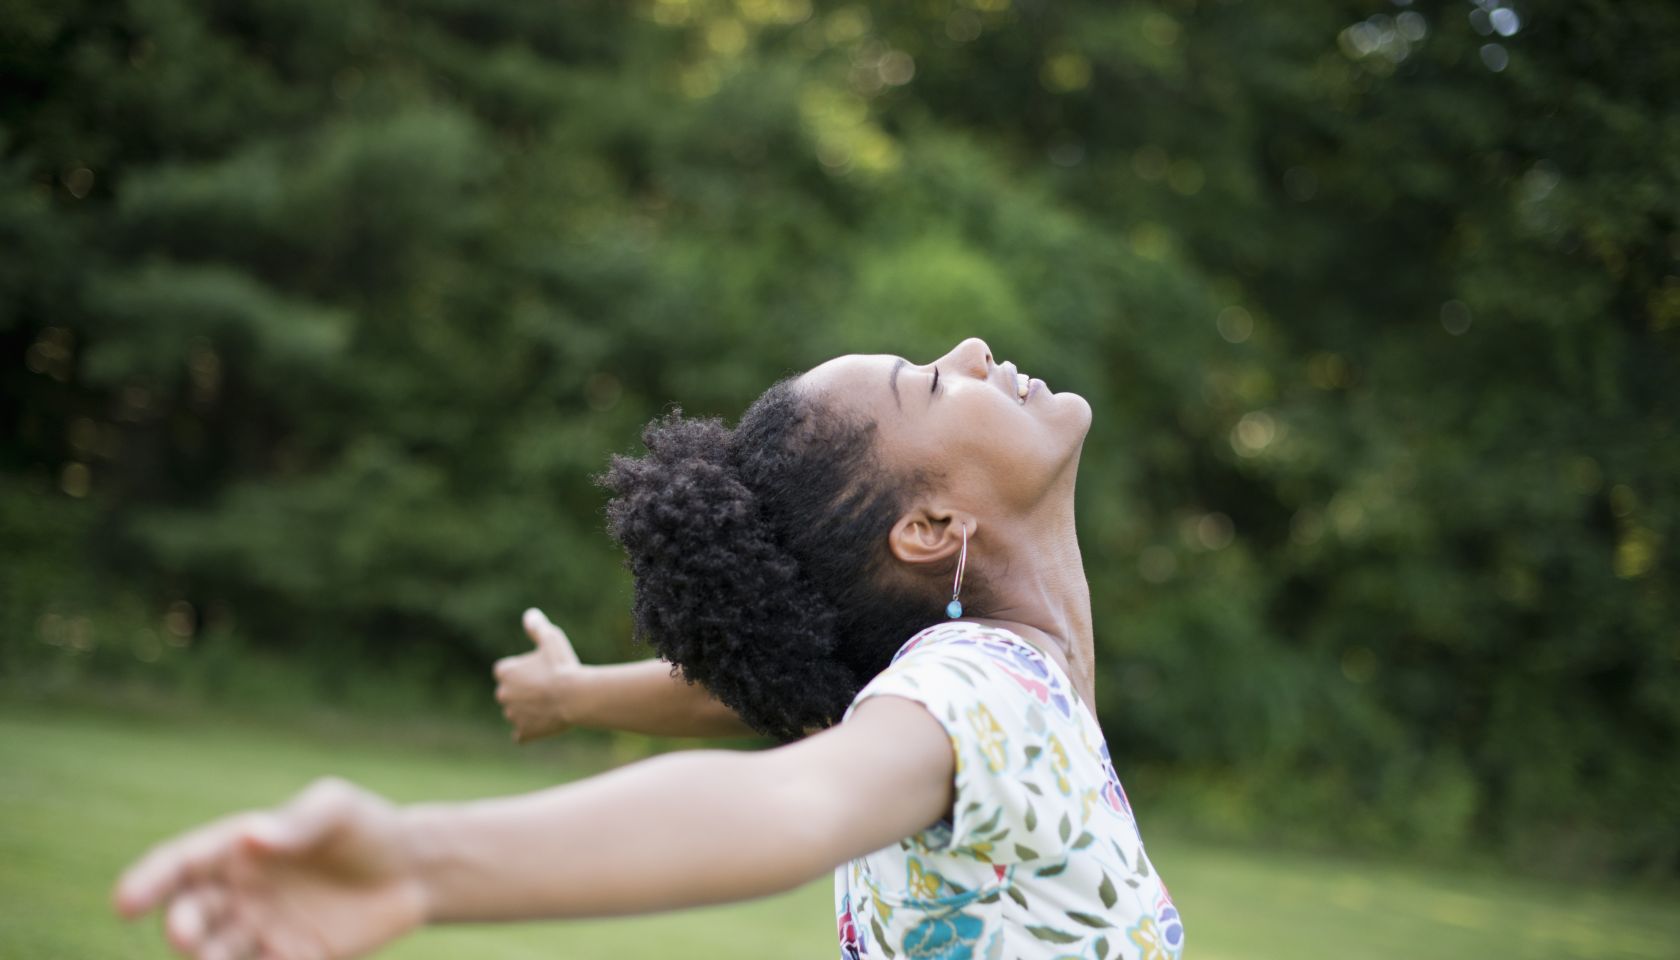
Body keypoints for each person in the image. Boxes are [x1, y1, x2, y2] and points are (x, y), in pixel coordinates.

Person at [112, 338, 1184, 960]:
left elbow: (768, 697)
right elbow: (792, 802)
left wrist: (579, 695)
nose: (974, 353)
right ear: (930, 531)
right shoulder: (985, 688)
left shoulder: (941, 686)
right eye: (936, 384)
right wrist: (421, 862)